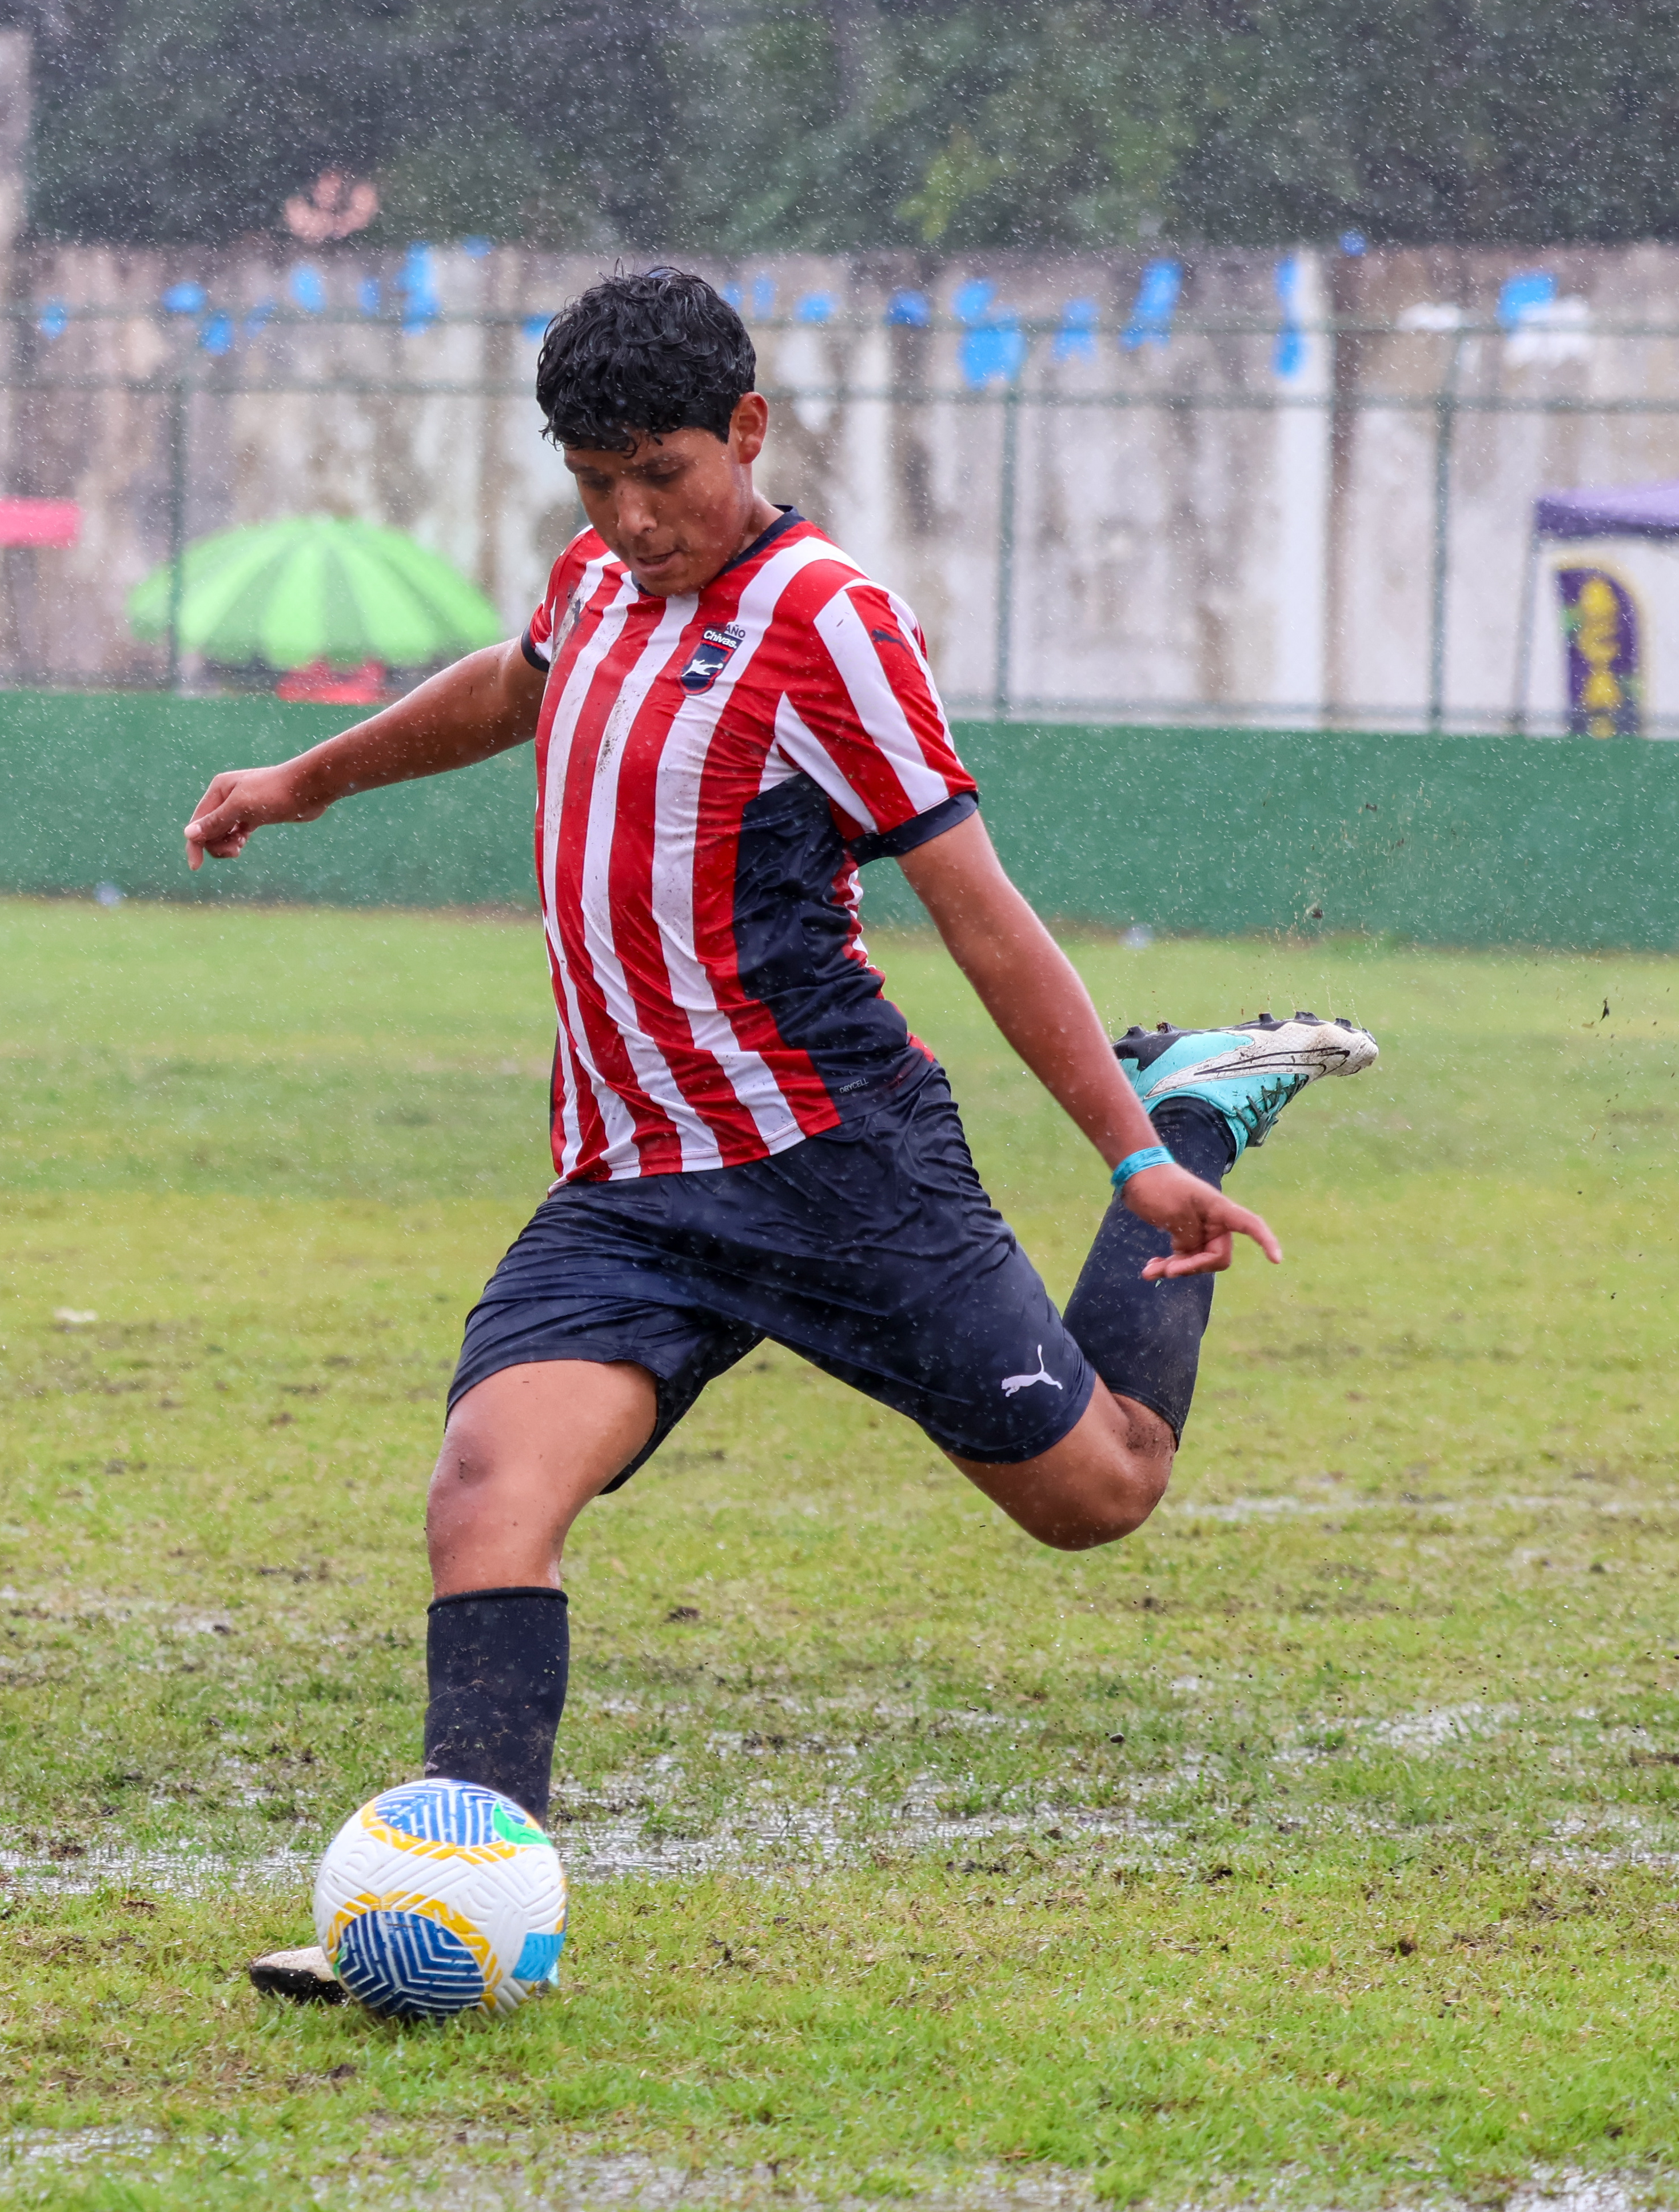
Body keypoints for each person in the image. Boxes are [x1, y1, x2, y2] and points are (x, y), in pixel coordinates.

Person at [180, 270, 1378, 2005]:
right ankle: (469, 1907)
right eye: (594, 481)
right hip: (628, 1187)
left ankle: (1194, 1090)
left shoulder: (827, 623)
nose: (629, 517)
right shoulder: (595, 582)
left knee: (1098, 1492)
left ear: (745, 431)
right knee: (484, 1493)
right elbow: (511, 686)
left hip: (836, 1168)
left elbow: (976, 911)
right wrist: (305, 781)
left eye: (660, 474)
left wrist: (1134, 1154)